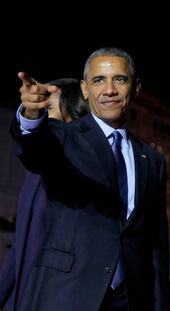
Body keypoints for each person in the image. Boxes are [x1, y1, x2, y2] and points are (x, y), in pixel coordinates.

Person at [9, 47, 170, 310]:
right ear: (85, 89)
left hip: (131, 300)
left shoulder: (152, 160)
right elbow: (34, 152)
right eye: (99, 80)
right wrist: (30, 115)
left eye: (120, 79)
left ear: (136, 87)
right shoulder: (63, 137)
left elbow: (156, 245)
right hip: (67, 295)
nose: (109, 90)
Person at [0, 78, 89, 311]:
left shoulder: (80, 172)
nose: (40, 115)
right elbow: (19, 247)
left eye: (48, 109)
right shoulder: (35, 174)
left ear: (73, 116)